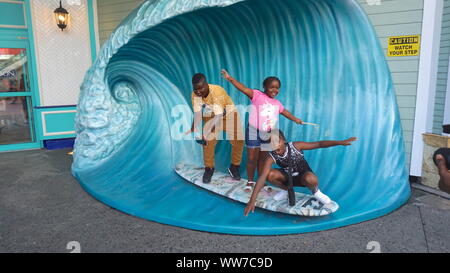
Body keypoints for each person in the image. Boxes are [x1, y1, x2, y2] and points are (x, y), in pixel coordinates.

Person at [244, 129, 357, 216]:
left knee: (310, 179)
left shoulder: (295, 146)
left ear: (283, 141)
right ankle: (286, 190)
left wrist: (340, 142)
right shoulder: (271, 156)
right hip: (288, 178)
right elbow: (262, 177)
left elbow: (319, 144)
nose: (274, 145)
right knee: (269, 174)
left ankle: (316, 192)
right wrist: (251, 201)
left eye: (277, 141)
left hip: (303, 177)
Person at [221, 69, 304, 188]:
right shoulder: (257, 95)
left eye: (277, 88)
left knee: (263, 160)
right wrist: (230, 78)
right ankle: (250, 181)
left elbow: (284, 112)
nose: (275, 90)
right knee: (251, 158)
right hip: (253, 131)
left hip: (269, 134)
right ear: (265, 87)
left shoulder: (277, 103)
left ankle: (261, 182)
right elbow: (243, 88)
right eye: (272, 87)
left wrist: (295, 119)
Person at [185, 73, 244, 183]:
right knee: (207, 142)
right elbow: (198, 114)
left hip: (228, 113)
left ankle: (234, 166)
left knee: (238, 140)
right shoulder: (195, 95)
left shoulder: (217, 91)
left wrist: (207, 130)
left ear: (207, 84)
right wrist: (194, 128)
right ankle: (209, 168)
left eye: (201, 88)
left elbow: (219, 115)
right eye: (195, 89)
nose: (198, 91)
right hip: (211, 113)